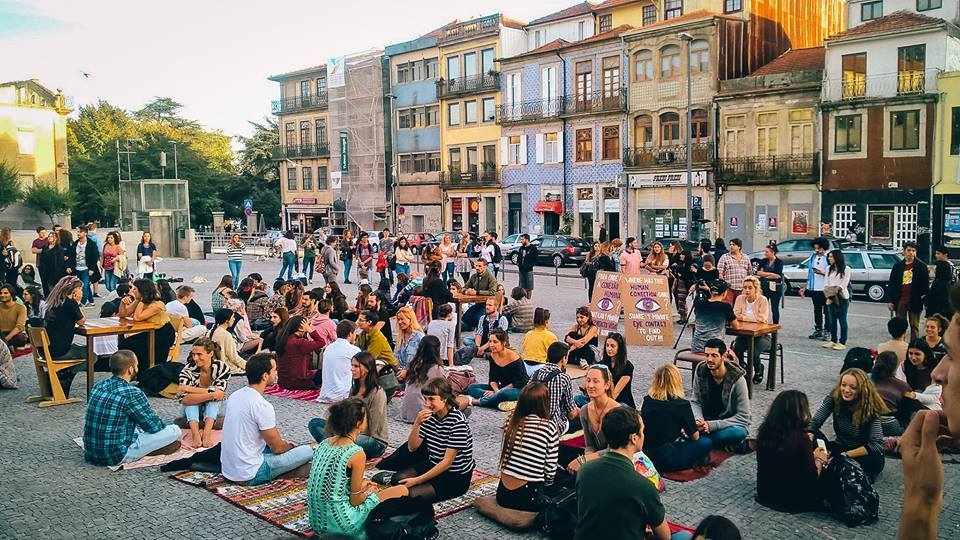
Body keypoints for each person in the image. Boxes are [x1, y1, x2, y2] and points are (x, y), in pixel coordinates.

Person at [307, 397, 408, 539]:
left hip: (316, 522)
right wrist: (367, 493)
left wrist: (361, 486)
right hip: (342, 525)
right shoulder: (356, 453)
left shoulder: (324, 443)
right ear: (359, 423)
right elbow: (356, 501)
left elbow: (333, 483)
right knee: (401, 490)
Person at [374, 377, 475, 514]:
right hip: (433, 463)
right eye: (425, 399)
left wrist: (417, 480)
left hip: (455, 476)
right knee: (398, 479)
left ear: (444, 399)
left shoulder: (457, 423)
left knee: (410, 495)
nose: (427, 403)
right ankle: (399, 481)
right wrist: (417, 424)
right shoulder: (429, 416)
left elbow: (447, 462)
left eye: (431, 399)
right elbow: (412, 448)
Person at [574, 407, 675, 540]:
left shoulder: (585, 471)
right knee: (683, 536)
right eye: (642, 431)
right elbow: (665, 536)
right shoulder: (644, 486)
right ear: (634, 438)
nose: (643, 435)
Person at [220, 352, 314, 485]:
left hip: (228, 470)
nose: (277, 373)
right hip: (249, 473)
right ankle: (290, 471)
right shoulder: (262, 405)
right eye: (274, 370)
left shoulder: (235, 395)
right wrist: (291, 447)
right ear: (265, 376)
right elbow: (278, 448)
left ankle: (290, 469)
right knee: (308, 451)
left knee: (282, 450)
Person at [82, 349, 182, 466]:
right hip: (117, 455)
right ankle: (148, 450)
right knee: (175, 430)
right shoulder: (132, 392)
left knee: (132, 422)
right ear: (130, 369)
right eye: (136, 366)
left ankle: (149, 447)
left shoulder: (99, 385)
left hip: (90, 451)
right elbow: (153, 426)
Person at [755, 389, 829, 514]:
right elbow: (811, 476)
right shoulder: (800, 439)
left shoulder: (765, 431)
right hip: (792, 500)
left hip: (765, 493)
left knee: (817, 435)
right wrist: (819, 459)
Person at [809, 368, 887, 482]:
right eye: (843, 385)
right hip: (841, 446)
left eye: (853, 387)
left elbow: (877, 445)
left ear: (861, 390)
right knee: (806, 433)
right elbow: (815, 422)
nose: (846, 390)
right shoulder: (834, 397)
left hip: (863, 454)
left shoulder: (870, 408)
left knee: (839, 468)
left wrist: (845, 455)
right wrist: (809, 435)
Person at [310, 352, 390, 459]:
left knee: (340, 440)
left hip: (372, 439)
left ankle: (333, 447)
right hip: (348, 433)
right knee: (315, 424)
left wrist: (345, 435)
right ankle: (337, 446)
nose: (352, 369)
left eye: (356, 366)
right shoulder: (354, 389)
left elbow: (372, 426)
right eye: (352, 365)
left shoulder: (377, 393)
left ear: (367, 368)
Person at [497, 383, 560, 512]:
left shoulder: (511, 422)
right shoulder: (549, 427)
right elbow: (550, 469)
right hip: (526, 497)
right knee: (563, 481)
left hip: (502, 494)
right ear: (544, 403)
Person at [641, 364, 710, 472]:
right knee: (706, 442)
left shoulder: (648, 400)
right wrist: (694, 426)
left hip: (648, 454)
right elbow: (695, 437)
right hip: (669, 456)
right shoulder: (682, 404)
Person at [690, 339, 751, 452]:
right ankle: (705, 440)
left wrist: (711, 425)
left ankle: (700, 439)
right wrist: (699, 420)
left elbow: (743, 417)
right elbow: (695, 401)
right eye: (707, 355)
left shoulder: (737, 378)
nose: (709, 359)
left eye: (714, 355)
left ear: (723, 357)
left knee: (739, 432)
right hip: (704, 420)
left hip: (726, 424)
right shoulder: (701, 369)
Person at [178, 338, 230, 448]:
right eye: (193, 354)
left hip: (214, 407)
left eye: (199, 354)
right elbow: (184, 399)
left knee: (213, 402)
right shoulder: (188, 370)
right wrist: (211, 393)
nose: (195, 358)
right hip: (193, 407)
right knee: (192, 403)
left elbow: (220, 394)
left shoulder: (221, 367)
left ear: (210, 353)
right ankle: (196, 434)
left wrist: (190, 390)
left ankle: (206, 434)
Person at [117, 279, 176, 374]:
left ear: (142, 291)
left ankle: (141, 370)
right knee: (125, 342)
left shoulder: (158, 304)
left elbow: (137, 318)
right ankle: (132, 369)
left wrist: (139, 300)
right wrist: (122, 303)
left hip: (163, 333)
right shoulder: (141, 301)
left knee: (129, 344)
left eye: (135, 289)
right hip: (150, 331)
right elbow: (123, 314)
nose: (131, 291)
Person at [568, 365, 619, 473]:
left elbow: (617, 450)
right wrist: (588, 465)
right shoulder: (584, 410)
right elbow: (590, 445)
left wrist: (585, 460)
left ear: (607, 385)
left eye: (596, 381)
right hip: (598, 461)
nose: (590, 385)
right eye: (588, 380)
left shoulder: (618, 411)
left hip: (617, 463)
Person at [465, 329, 528, 409]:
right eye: (490, 341)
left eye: (495, 342)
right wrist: (496, 391)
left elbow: (520, 382)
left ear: (503, 343)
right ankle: (497, 401)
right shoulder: (492, 355)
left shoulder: (514, 358)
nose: (491, 345)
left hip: (517, 389)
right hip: (501, 387)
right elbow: (492, 378)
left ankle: (479, 402)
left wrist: (499, 392)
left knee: (504, 394)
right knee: (472, 388)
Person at [530, 342, 578, 433]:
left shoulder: (535, 374)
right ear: (563, 358)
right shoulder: (563, 378)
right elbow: (571, 413)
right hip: (553, 427)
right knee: (582, 422)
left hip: (532, 422)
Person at [731, 276, 772, 383]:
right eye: (745, 288)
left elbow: (762, 318)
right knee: (736, 349)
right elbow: (735, 314)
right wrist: (752, 319)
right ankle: (743, 369)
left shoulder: (762, 300)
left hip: (762, 335)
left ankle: (758, 370)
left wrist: (743, 317)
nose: (747, 290)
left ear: (756, 289)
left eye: (750, 288)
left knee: (753, 353)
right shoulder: (740, 298)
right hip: (744, 334)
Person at [399, 336, 447, 423]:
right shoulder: (437, 369)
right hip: (423, 413)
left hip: (406, 413)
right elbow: (444, 390)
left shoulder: (413, 364)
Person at [887, 241, 929, 342]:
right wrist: (890, 300)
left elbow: (925, 286)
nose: (911, 253)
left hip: (915, 300)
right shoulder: (897, 266)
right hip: (900, 300)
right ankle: (901, 344)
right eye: (909, 250)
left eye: (913, 251)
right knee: (900, 325)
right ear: (904, 252)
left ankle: (914, 345)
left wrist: (923, 300)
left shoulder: (921, 266)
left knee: (914, 326)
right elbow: (892, 284)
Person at [275, 315, 329, 390]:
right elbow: (321, 342)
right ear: (301, 327)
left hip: (283, 381)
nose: (309, 326)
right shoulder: (299, 342)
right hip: (298, 382)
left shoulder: (284, 340)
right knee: (326, 372)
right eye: (307, 325)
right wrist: (310, 330)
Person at [318, 320, 361, 403]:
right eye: (355, 333)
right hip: (343, 394)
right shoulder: (354, 350)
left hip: (325, 393)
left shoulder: (328, 347)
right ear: (350, 334)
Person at [455, 297, 507, 366]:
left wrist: (483, 348)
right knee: (466, 340)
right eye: (486, 305)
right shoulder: (482, 318)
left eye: (490, 305)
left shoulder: (502, 319)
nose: (487, 307)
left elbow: (497, 338)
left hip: (496, 343)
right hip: (484, 341)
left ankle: (484, 352)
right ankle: (483, 352)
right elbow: (479, 334)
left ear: (496, 307)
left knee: (498, 346)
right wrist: (478, 346)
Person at [872, 351, 914, 436]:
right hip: (889, 424)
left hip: (865, 422)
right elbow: (906, 413)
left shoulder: (866, 380)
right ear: (895, 367)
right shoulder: (903, 386)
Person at [691, 279, 736, 353]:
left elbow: (706, 300)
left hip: (697, 347)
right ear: (725, 293)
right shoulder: (725, 306)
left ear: (711, 291)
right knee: (734, 356)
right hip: (714, 349)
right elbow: (736, 326)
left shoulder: (699, 303)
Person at [800, 237, 830, 340]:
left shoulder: (828, 257)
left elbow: (834, 272)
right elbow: (810, 273)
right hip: (815, 288)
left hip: (826, 288)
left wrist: (822, 273)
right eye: (815, 248)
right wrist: (806, 287)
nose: (817, 251)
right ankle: (818, 329)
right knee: (817, 310)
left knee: (827, 311)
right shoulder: (813, 257)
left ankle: (827, 331)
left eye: (819, 249)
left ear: (824, 247)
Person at [822, 249, 851, 351]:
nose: (829, 258)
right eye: (829, 257)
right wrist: (828, 294)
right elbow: (826, 283)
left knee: (842, 319)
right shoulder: (828, 268)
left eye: (831, 257)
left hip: (841, 297)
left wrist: (834, 290)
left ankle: (842, 341)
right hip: (830, 296)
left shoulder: (846, 269)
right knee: (832, 320)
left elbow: (843, 284)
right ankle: (833, 340)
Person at [460, 259, 499, 332]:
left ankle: (480, 333)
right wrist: (466, 291)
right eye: (476, 266)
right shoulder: (474, 276)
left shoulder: (491, 278)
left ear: (485, 267)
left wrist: (477, 292)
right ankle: (464, 328)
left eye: (480, 266)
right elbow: (465, 287)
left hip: (486, 304)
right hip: (477, 303)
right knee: (466, 316)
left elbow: (493, 292)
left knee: (478, 318)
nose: (477, 268)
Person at [598, 332, 635, 408]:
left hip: (622, 402)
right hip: (603, 398)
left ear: (619, 348)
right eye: (607, 345)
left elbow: (615, 394)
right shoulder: (601, 364)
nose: (609, 349)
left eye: (612, 346)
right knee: (579, 399)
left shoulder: (627, 366)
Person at [209, 308, 246, 374]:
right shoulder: (226, 335)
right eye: (232, 317)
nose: (234, 319)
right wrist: (248, 366)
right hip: (225, 365)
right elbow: (233, 357)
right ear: (227, 321)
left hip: (215, 363)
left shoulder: (212, 331)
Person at [69, 225, 99, 306]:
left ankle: (82, 302)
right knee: (82, 285)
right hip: (77, 268)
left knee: (84, 285)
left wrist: (92, 269)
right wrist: (70, 267)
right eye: (77, 232)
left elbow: (95, 256)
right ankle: (91, 301)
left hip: (86, 268)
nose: (78, 233)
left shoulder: (91, 244)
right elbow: (71, 256)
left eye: (80, 232)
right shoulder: (75, 243)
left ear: (85, 233)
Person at [755, 244, 783, 324]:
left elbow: (777, 275)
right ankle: (762, 323)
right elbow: (758, 272)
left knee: (774, 308)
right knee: (763, 307)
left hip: (775, 288)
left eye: (767, 252)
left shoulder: (779, 262)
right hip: (764, 287)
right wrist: (770, 274)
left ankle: (775, 325)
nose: (765, 253)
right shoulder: (763, 261)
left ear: (773, 252)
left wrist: (764, 273)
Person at [716, 238, 750, 302]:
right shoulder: (724, 257)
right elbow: (719, 272)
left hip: (742, 289)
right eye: (730, 244)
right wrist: (724, 285)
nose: (731, 246)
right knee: (728, 309)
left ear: (739, 247)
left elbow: (749, 273)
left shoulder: (746, 258)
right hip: (729, 289)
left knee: (740, 309)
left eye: (733, 245)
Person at [926, 247, 954, 320]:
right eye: (936, 253)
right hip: (939, 292)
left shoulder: (944, 265)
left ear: (945, 255)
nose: (936, 255)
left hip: (941, 293)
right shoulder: (941, 264)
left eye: (938, 254)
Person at [37, 230, 65, 296]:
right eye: (49, 236)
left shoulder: (59, 248)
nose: (49, 238)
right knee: (45, 287)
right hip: (45, 270)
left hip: (54, 272)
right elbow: (41, 259)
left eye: (51, 236)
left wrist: (58, 271)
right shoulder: (45, 247)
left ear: (56, 238)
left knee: (53, 288)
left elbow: (60, 262)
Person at [0, 284, 27, 348]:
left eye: (6, 293)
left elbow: (19, 327)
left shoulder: (20, 308)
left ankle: (8, 346)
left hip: (14, 334)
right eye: (0, 293)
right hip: (2, 334)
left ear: (11, 294)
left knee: (21, 338)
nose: (2, 295)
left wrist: (5, 340)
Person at [515, 233, 538, 298]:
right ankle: (522, 299)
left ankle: (528, 300)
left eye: (522, 239)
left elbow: (535, 259)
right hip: (521, 270)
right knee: (521, 286)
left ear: (527, 240)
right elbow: (519, 257)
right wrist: (518, 263)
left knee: (529, 287)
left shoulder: (533, 248)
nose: (521, 241)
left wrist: (530, 265)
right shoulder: (521, 248)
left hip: (528, 270)